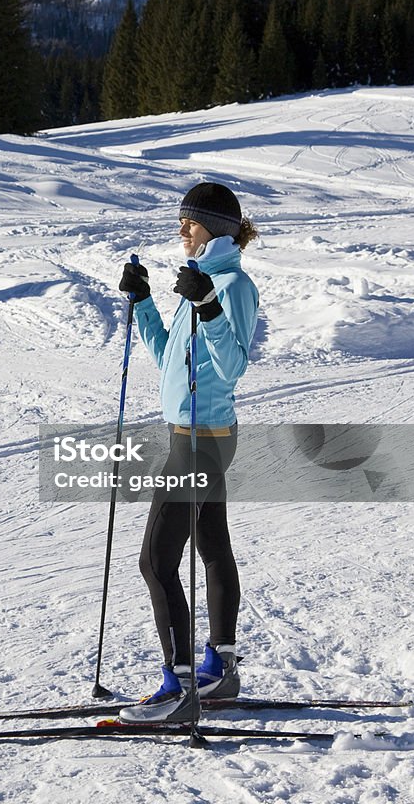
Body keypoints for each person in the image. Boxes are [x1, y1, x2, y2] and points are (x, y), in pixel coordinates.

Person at [117, 181, 259, 724]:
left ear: (215, 228)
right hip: (190, 436)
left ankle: (178, 688)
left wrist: (209, 307)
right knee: (211, 544)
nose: (182, 230)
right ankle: (220, 671)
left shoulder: (231, 285)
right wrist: (143, 301)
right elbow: (169, 358)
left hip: (203, 441)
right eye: (181, 221)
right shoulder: (200, 282)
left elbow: (232, 366)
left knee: (156, 561)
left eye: (190, 223)